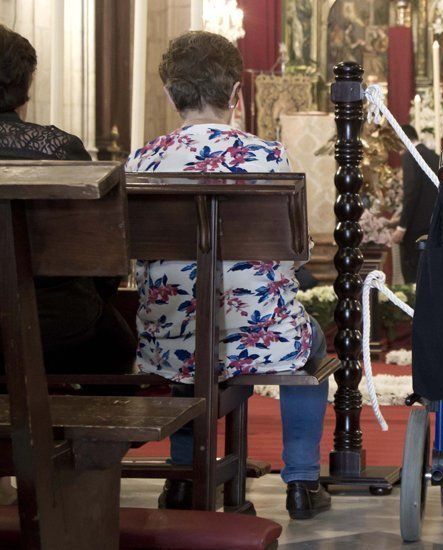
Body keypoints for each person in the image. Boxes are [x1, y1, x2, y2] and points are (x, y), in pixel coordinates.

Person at [126, 31, 330, 519]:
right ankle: (301, 481)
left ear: (171, 96)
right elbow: (291, 259)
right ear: (237, 96)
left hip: (171, 336)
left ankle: (181, 479)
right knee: (313, 347)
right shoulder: (266, 156)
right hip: (259, 335)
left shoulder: (143, 160)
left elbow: (137, 261)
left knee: (185, 347)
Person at [0, 24, 136, 379]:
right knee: (119, 347)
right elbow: (106, 258)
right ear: (24, 87)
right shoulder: (61, 150)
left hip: (53, 324)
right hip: (59, 326)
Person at [391, 124, 438, 283]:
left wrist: (401, 226)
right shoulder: (434, 155)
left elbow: (411, 191)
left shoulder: (410, 155)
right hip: (433, 224)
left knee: (412, 276)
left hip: (415, 227)